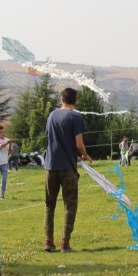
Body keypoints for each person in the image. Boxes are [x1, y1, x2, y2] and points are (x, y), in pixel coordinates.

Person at [44, 88, 92, 253]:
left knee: (50, 205)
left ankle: (48, 241)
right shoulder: (76, 117)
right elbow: (78, 144)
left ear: (61, 99)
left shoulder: (51, 115)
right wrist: (85, 155)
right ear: (75, 100)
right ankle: (65, 243)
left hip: (50, 165)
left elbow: (55, 141)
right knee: (69, 204)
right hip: (67, 168)